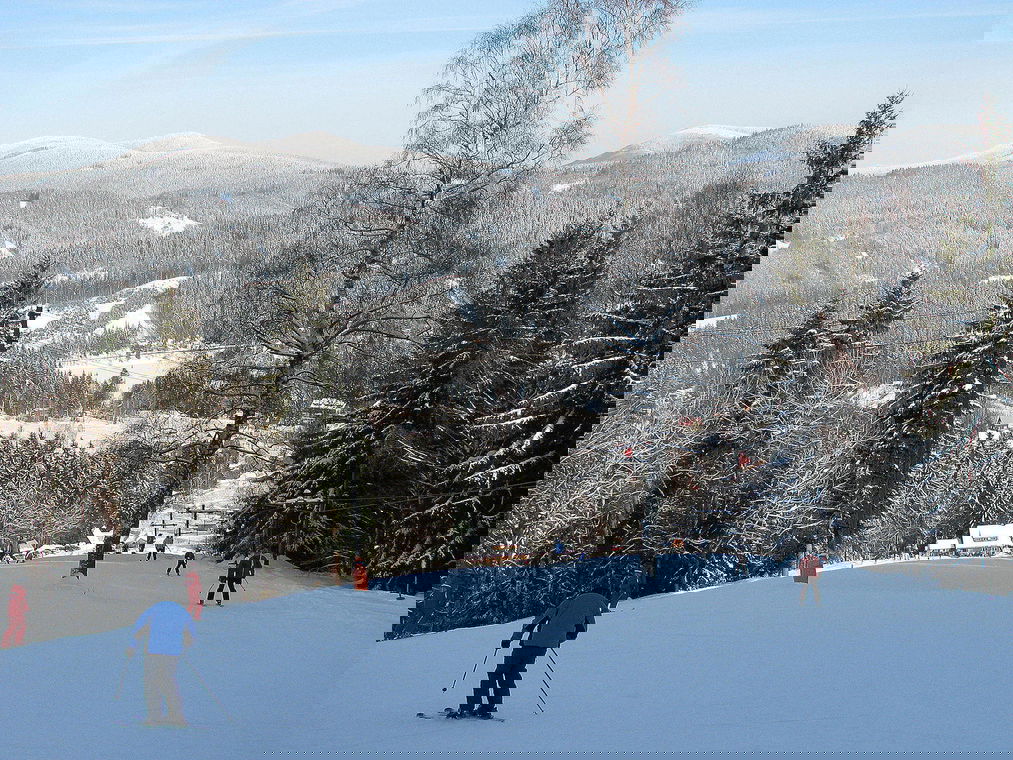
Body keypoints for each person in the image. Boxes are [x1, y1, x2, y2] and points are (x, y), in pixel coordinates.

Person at [126, 601, 196, 726]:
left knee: (152, 684)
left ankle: (154, 716)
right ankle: (175, 715)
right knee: (169, 683)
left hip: (154, 652)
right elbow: (190, 633)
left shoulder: (153, 609)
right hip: (172, 653)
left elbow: (138, 629)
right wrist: (184, 647)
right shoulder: (181, 611)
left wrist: (132, 646)